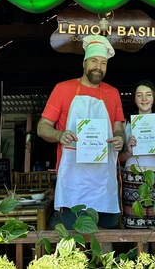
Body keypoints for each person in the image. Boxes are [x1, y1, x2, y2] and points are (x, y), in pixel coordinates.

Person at [37, 35, 126, 229]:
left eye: (103, 63)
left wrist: (120, 138)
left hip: (103, 179)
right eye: (94, 61)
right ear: (84, 62)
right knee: (74, 232)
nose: (98, 66)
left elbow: (119, 128)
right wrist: (59, 135)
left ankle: (106, 261)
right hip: (74, 180)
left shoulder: (113, 93)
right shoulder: (63, 89)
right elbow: (42, 127)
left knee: (105, 232)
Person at [120, 80, 155, 228]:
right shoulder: (125, 124)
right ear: (134, 99)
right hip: (132, 179)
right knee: (134, 227)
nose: (144, 99)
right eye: (139, 95)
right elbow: (118, 159)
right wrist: (129, 152)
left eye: (148, 95)